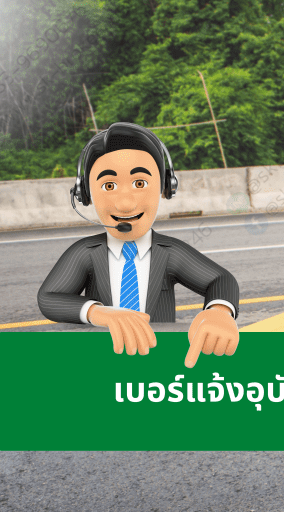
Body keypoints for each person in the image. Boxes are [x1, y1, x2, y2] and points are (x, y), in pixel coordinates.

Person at [37, 122, 239, 368]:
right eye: (109, 186)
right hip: (102, 363)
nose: (125, 204)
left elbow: (220, 280)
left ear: (165, 187)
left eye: (140, 183)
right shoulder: (85, 253)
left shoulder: (170, 253)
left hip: (159, 365)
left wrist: (219, 311)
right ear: (85, 194)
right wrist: (98, 313)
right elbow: (49, 298)